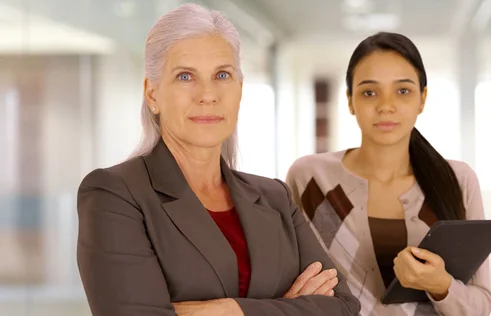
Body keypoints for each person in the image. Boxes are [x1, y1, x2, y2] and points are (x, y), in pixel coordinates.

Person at [76, 4, 360, 316]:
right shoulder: (114, 195)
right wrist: (289, 308)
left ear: (239, 88)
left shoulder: (274, 198)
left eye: (222, 75)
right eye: (185, 76)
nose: (207, 94)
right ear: (153, 94)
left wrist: (232, 311)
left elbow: (344, 307)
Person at [285, 32, 491, 316]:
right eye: (369, 92)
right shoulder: (310, 178)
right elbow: (290, 283)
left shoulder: (456, 180)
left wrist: (440, 284)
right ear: (350, 101)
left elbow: (480, 305)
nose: (386, 106)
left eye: (403, 91)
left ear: (423, 99)